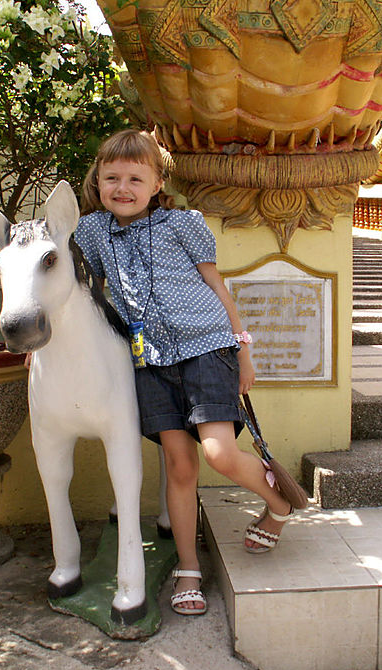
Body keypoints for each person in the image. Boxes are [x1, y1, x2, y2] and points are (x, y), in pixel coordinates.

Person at [73, 129, 293, 617]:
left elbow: (218, 286)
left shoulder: (183, 222)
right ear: (98, 181)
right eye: (112, 177)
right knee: (178, 466)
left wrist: (244, 351)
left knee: (219, 455)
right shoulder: (90, 233)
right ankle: (189, 568)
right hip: (148, 360)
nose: (122, 187)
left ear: (156, 183)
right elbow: (78, 295)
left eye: (135, 177)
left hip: (207, 348)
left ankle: (280, 505)